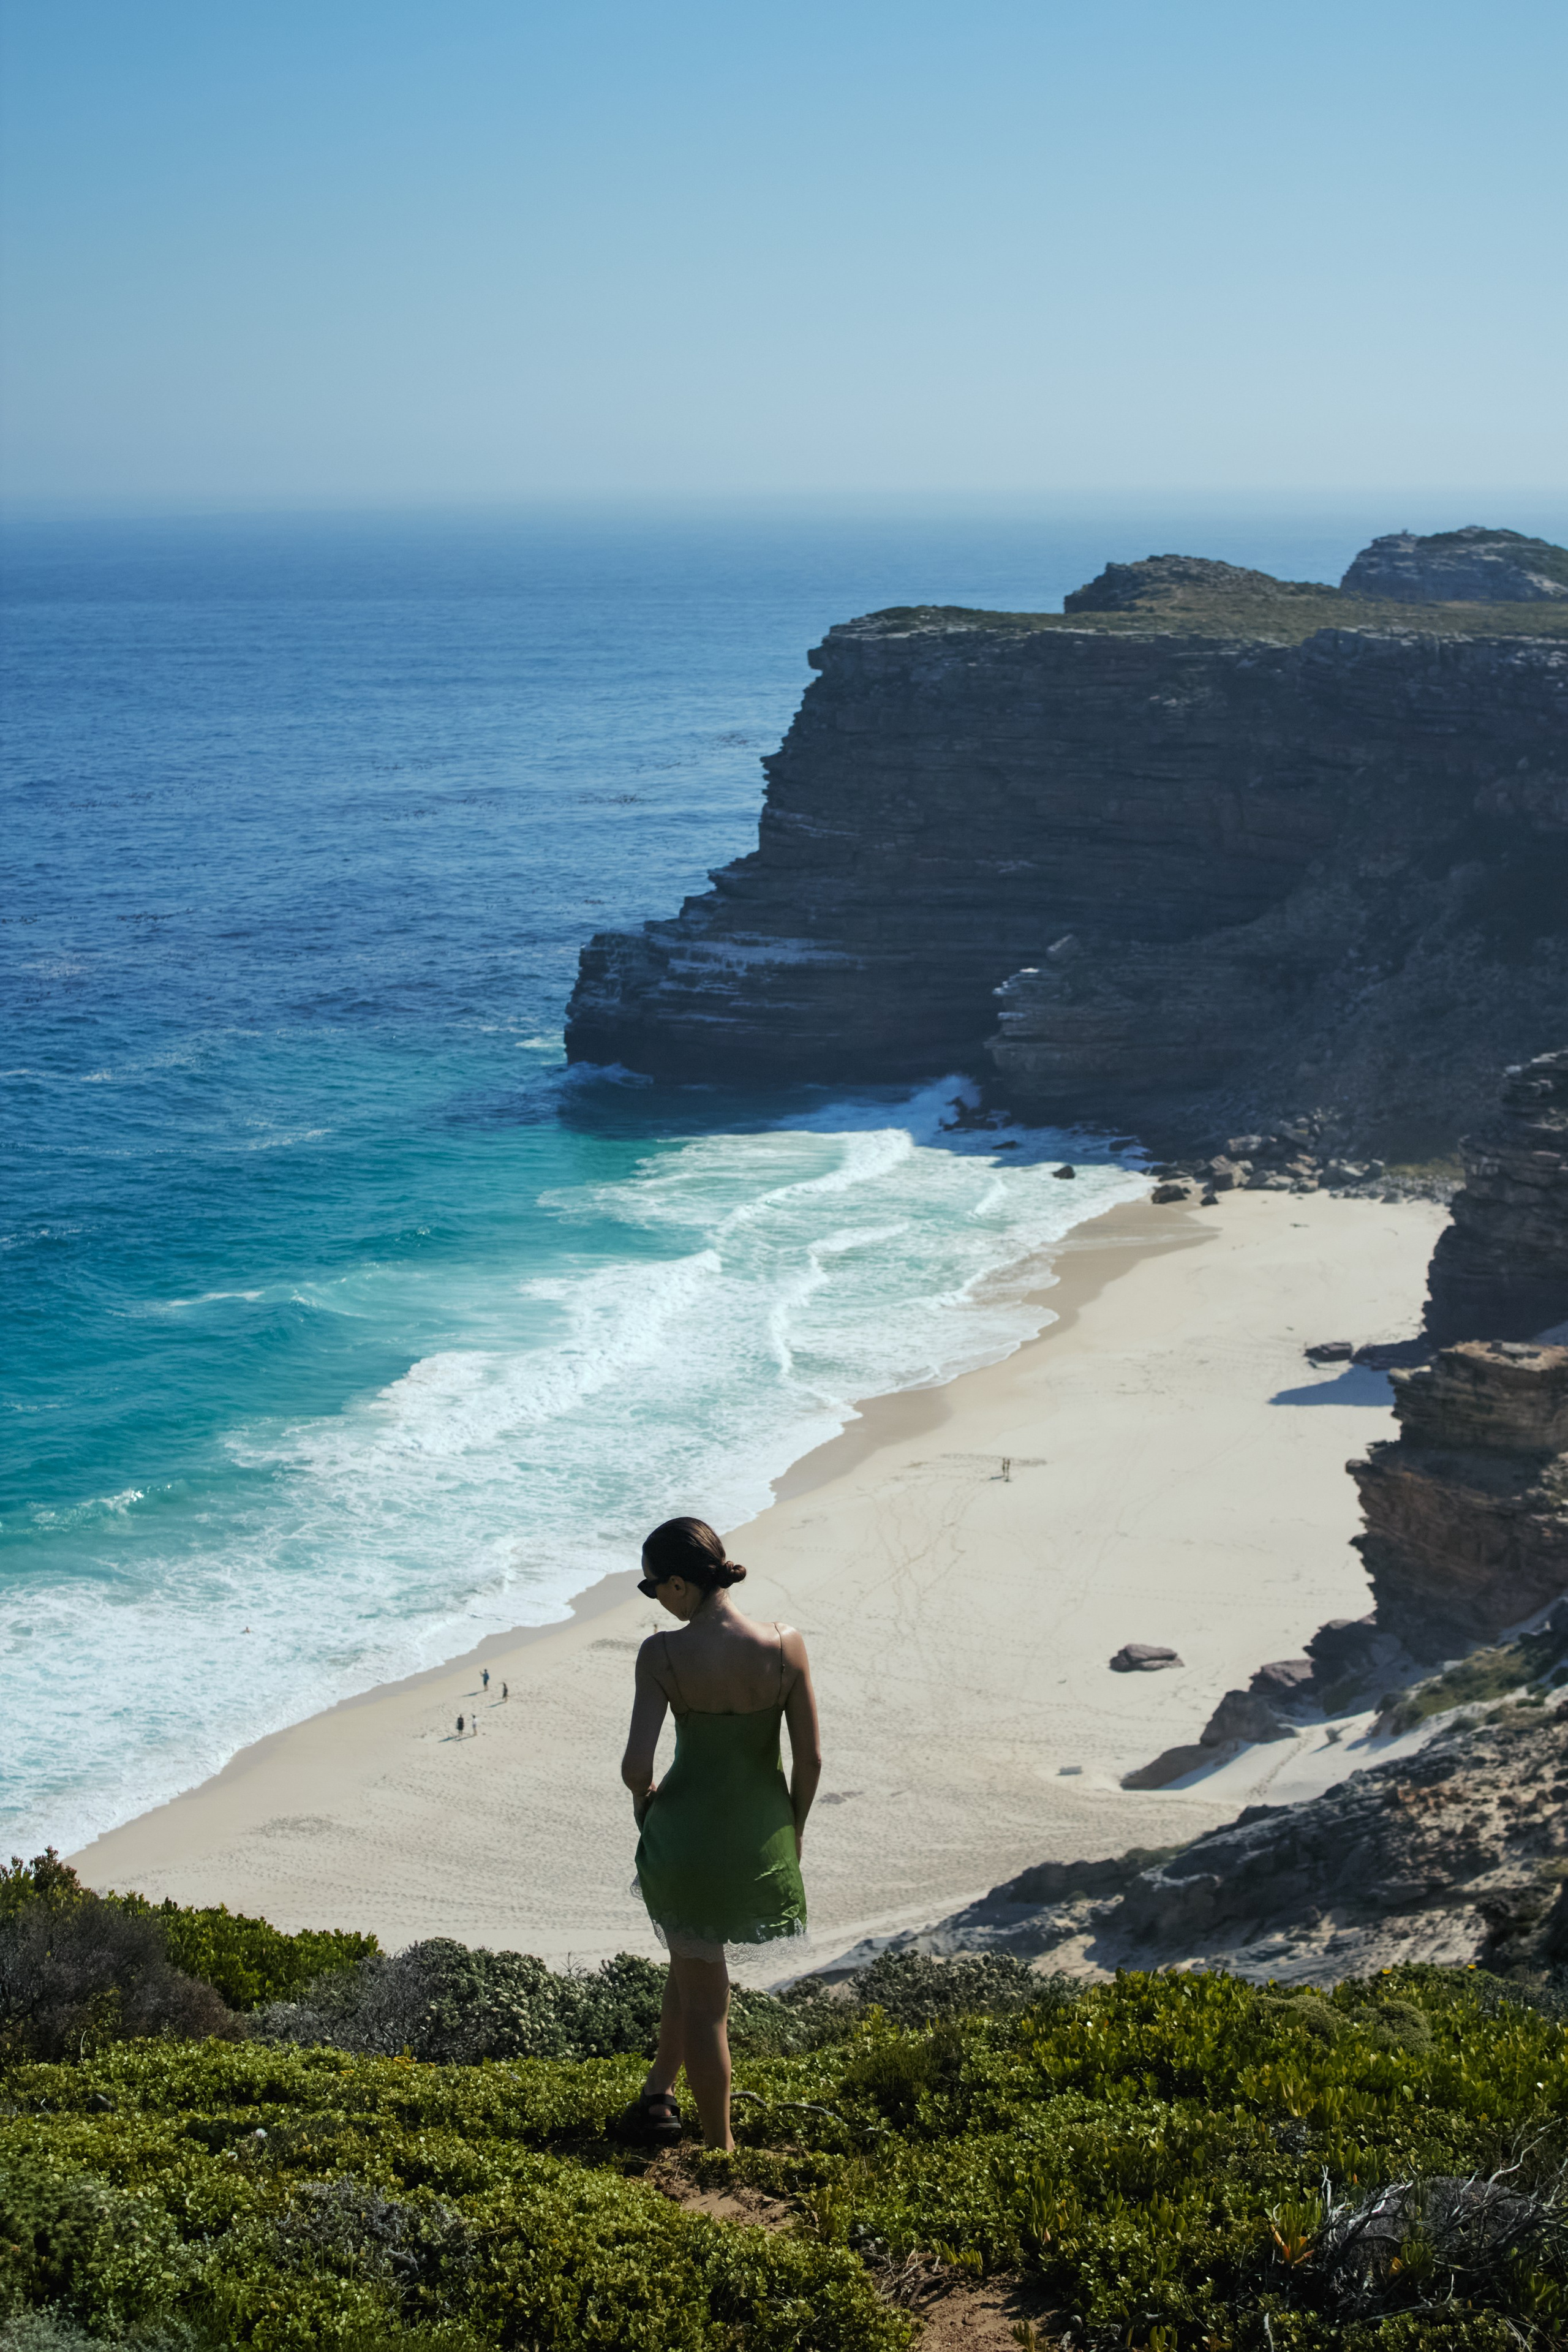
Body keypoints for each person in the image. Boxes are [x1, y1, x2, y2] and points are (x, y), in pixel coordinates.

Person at [620, 1515, 821, 2154]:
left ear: (679, 1584)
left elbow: (636, 1767)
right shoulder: (785, 1645)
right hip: (758, 1836)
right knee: (691, 1967)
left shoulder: (663, 1655)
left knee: (708, 2001)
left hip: (686, 1841)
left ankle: (719, 2148)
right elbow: (810, 1760)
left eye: (654, 1588)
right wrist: (792, 1832)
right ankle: (658, 2091)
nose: (656, 1600)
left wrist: (644, 1805)